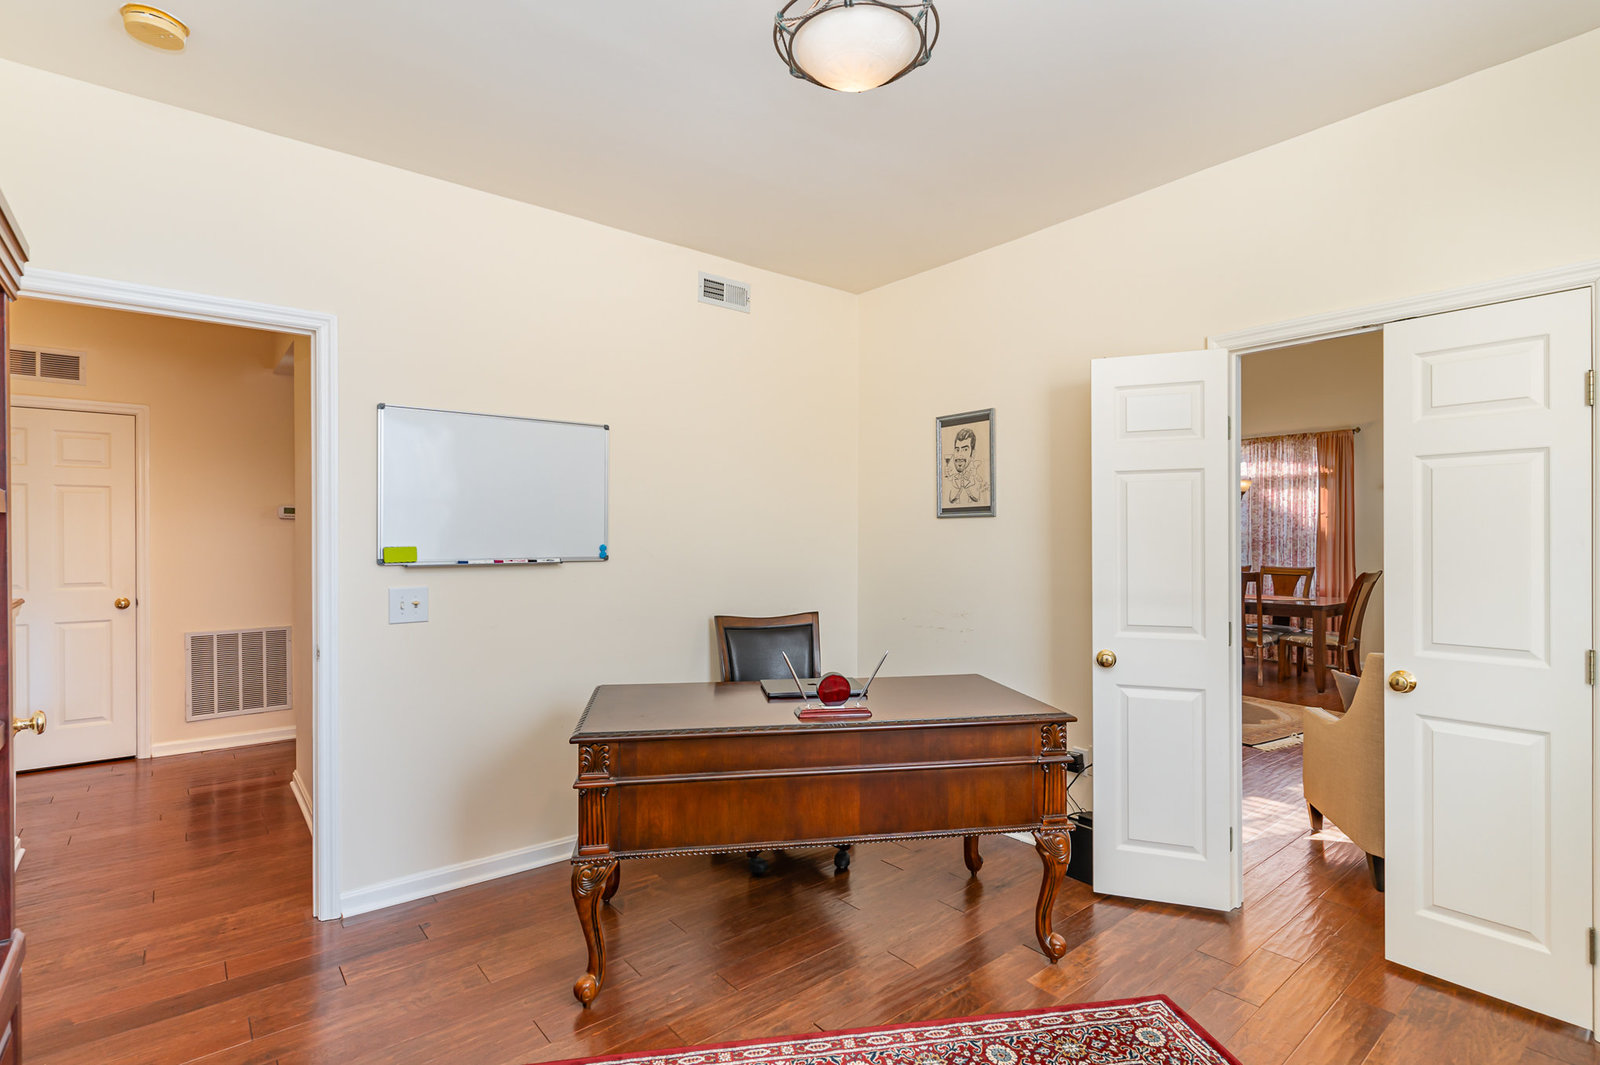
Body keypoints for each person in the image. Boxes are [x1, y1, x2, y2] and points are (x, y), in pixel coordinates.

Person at [945, 426, 988, 505]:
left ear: (973, 454)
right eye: (957, 450)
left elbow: (979, 498)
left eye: (965, 449)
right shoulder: (949, 480)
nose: (959, 455)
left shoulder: (978, 478)